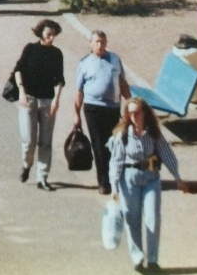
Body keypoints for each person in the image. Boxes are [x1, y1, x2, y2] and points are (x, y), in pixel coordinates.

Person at [108, 96, 188, 274]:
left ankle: (153, 260)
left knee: (152, 218)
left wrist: (177, 177)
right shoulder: (122, 136)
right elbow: (116, 161)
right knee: (132, 219)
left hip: (151, 178)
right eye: (130, 113)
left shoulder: (153, 133)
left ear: (144, 113)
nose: (134, 117)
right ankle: (137, 259)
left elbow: (166, 154)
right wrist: (114, 187)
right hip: (129, 179)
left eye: (137, 113)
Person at [72, 30, 130, 194]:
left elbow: (122, 82)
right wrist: (76, 114)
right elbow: (79, 91)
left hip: (112, 107)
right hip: (93, 108)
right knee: (99, 145)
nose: (100, 45)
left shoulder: (114, 59)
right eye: (97, 42)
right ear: (91, 43)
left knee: (114, 143)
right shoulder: (84, 63)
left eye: (103, 42)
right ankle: (104, 182)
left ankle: (115, 178)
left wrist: (131, 102)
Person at [13, 20, 66, 190]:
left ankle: (42, 177)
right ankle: (27, 164)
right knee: (29, 140)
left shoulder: (57, 54)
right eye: (48, 34)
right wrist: (21, 91)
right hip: (29, 99)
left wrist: (57, 100)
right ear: (41, 33)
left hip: (47, 101)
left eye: (54, 34)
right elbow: (18, 70)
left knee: (45, 142)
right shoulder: (31, 49)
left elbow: (59, 79)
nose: (51, 38)